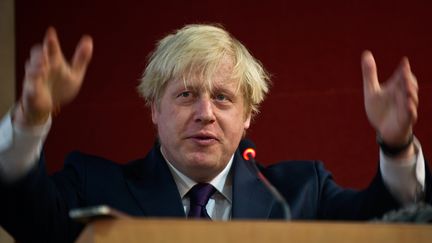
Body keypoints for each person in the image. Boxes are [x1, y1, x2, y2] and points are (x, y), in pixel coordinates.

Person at [0, 24, 430, 243]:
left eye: (223, 98)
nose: (205, 113)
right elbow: (26, 216)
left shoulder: (302, 193)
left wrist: (395, 146)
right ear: (154, 108)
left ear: (247, 116)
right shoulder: (94, 185)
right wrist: (31, 117)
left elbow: (394, 224)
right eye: (186, 94)